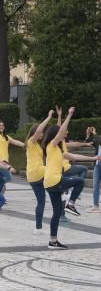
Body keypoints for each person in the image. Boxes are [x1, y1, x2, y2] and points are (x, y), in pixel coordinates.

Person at [42, 107, 101, 249]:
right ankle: (71, 203)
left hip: (50, 182)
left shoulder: (59, 149)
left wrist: (92, 157)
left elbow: (74, 156)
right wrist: (68, 115)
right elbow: (62, 130)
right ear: (56, 135)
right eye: (62, 134)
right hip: (54, 180)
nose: (65, 135)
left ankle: (53, 241)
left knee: (56, 213)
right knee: (80, 181)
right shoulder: (51, 145)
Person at [25, 110, 54, 235]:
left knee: (41, 202)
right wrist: (48, 117)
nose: (42, 134)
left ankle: (38, 228)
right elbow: (38, 131)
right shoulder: (31, 142)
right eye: (41, 132)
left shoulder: (37, 145)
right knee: (57, 169)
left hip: (33, 176)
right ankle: (66, 193)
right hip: (37, 171)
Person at [0, 104, 24, 188]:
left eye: (2, 125)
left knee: (0, 179)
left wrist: (27, 145)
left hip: (5, 161)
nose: (1, 127)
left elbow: (16, 142)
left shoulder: (6, 137)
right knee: (8, 177)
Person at [85, 126, 101, 213]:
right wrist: (88, 134)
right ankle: (96, 205)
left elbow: (99, 141)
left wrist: (94, 133)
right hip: (97, 165)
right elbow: (89, 143)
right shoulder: (98, 139)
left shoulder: (99, 139)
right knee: (95, 186)